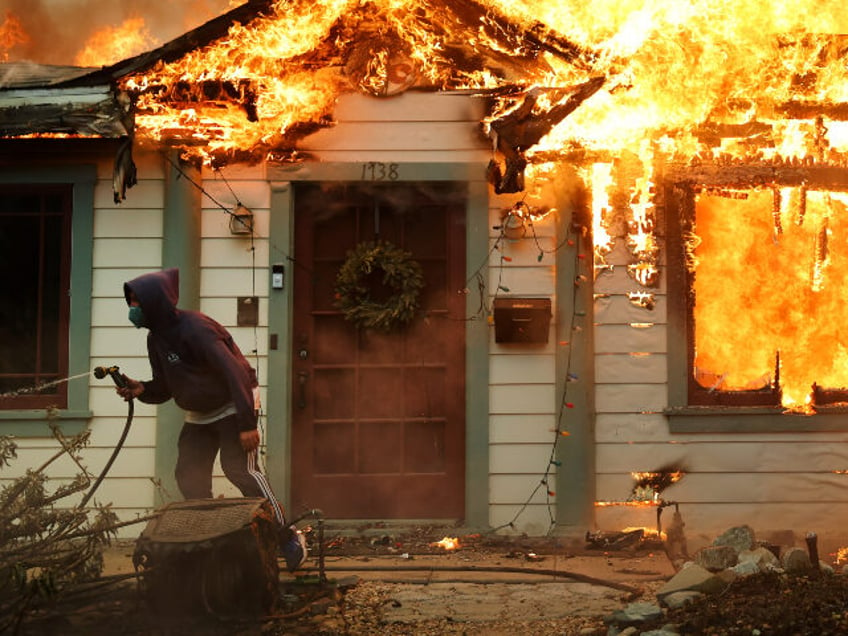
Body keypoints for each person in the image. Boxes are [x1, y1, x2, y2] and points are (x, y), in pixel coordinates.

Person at [116, 267, 306, 572]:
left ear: (156, 301)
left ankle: (287, 536)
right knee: (188, 475)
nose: (132, 309)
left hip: (233, 403)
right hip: (199, 413)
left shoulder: (196, 329)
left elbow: (236, 373)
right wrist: (141, 389)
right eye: (131, 303)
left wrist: (246, 424)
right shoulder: (156, 338)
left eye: (137, 302)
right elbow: (165, 386)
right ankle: (207, 544)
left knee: (241, 471)